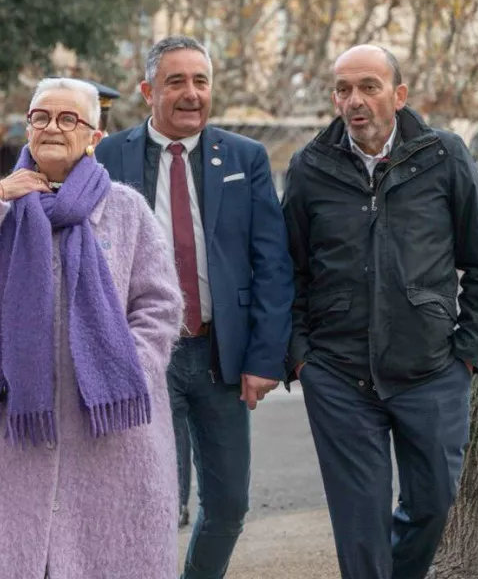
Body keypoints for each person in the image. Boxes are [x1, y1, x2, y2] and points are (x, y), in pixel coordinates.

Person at [0, 77, 184, 577]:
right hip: (8, 423)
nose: (51, 127)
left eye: (68, 119)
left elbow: (160, 303)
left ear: (93, 136)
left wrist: (124, 361)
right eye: (40, 117)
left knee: (106, 554)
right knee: (8, 556)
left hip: (107, 426)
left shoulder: (126, 208)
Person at [283, 44, 478, 579]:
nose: (355, 100)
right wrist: (302, 355)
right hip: (337, 376)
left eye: (369, 87)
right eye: (344, 89)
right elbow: (289, 271)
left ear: (398, 95)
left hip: (432, 372)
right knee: (360, 527)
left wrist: (467, 353)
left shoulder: (444, 156)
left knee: (432, 504)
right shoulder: (310, 167)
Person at [96, 35, 293, 578]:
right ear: (147, 91)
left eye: (200, 81)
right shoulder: (109, 155)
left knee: (229, 506)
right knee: (158, 502)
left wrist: (263, 358)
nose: (191, 94)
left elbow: (272, 263)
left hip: (220, 357)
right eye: (176, 81)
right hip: (142, 355)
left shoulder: (244, 157)